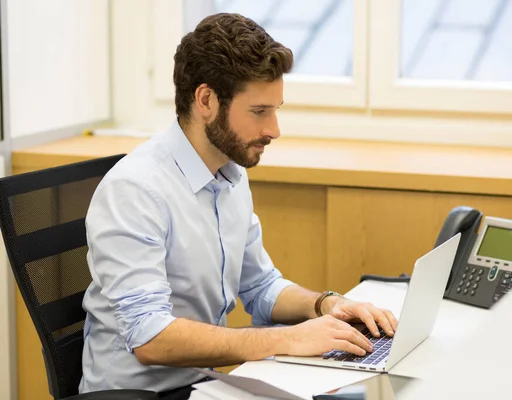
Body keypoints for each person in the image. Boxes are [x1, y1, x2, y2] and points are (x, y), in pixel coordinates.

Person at [79, 12, 397, 399]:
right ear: (206, 100)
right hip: (140, 394)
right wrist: (286, 340)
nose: (274, 131)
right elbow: (150, 338)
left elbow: (260, 285)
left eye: (276, 110)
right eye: (259, 112)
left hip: (203, 385)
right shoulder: (135, 190)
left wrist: (325, 305)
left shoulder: (229, 173)